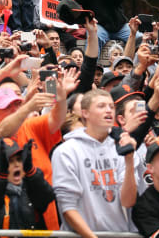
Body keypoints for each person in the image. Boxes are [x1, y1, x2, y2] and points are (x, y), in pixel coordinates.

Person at [52, 88, 138, 235]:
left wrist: (129, 161)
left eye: (111, 106)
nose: (109, 111)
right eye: (101, 106)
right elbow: (67, 207)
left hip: (119, 234)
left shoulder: (123, 146)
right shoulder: (66, 151)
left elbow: (128, 201)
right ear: (85, 113)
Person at [0, 138, 56, 230]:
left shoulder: (32, 186)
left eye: (19, 159)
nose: (17, 164)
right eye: (10, 161)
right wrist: (0, 176)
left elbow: (48, 196)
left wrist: (32, 172)